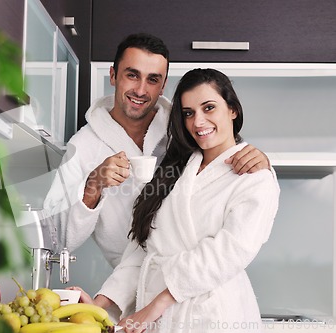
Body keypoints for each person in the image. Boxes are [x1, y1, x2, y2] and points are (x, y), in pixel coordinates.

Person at [43, 33, 270, 270]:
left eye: (153, 79)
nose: (141, 90)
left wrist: (259, 160)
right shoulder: (84, 146)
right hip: (126, 282)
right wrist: (94, 184)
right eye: (132, 75)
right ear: (113, 75)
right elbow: (56, 240)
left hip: (192, 271)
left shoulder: (182, 128)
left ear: (163, 86)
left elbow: (222, 160)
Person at [77, 68, 280, 332]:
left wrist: (157, 304)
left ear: (233, 110)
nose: (198, 122)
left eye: (209, 108)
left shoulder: (255, 177)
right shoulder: (175, 171)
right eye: (188, 113)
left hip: (212, 316)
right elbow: (146, 252)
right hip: (158, 317)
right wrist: (97, 305)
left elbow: (230, 252)